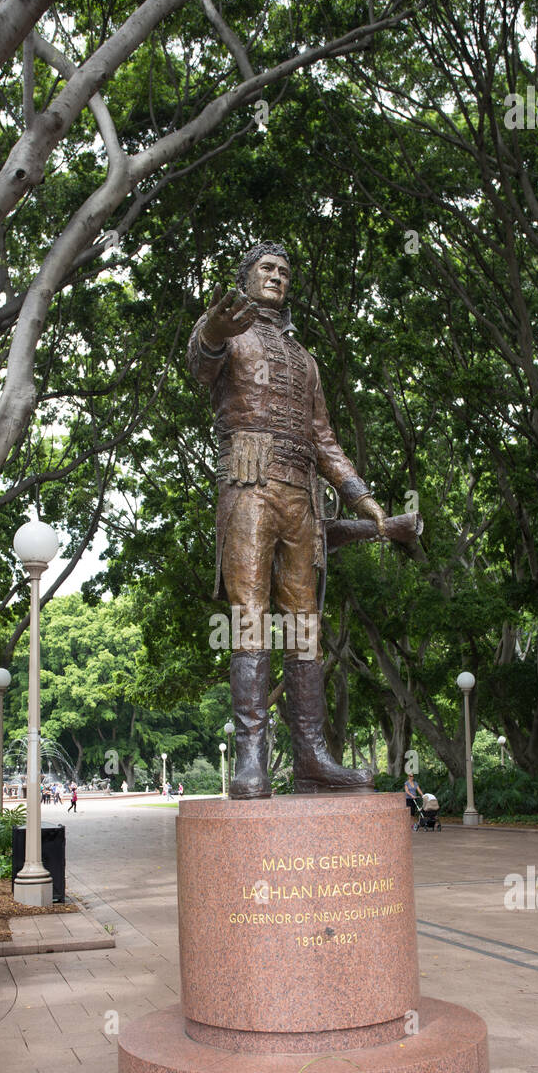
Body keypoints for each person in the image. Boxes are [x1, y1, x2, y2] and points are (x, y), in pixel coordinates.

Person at [188, 241, 388, 798]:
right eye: (265, 269)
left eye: (283, 271)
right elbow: (199, 368)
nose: (276, 276)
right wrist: (210, 331)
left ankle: (312, 757)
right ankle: (250, 757)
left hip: (304, 497)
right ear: (246, 277)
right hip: (249, 481)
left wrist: (362, 499)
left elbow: (324, 438)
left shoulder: (306, 360)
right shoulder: (228, 332)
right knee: (249, 616)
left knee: (304, 625)